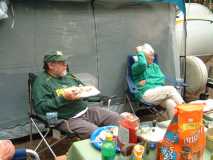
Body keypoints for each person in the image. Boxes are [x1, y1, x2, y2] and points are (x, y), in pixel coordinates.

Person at [32, 51, 120, 139]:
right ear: (51, 65)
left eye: (65, 62)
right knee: (98, 134)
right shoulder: (41, 83)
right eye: (62, 63)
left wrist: (89, 92)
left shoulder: (69, 76)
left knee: (118, 119)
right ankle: (109, 150)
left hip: (86, 111)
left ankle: (127, 148)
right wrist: (63, 98)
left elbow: (83, 91)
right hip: (67, 119)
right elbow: (40, 108)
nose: (66, 65)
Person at [131, 43, 184, 119]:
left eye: (153, 55)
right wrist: (140, 52)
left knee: (171, 104)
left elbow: (161, 79)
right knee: (170, 89)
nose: (153, 58)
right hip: (145, 94)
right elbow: (142, 64)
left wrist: (148, 81)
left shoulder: (155, 66)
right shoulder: (136, 67)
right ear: (144, 56)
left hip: (157, 93)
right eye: (150, 56)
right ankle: (188, 111)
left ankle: (175, 126)